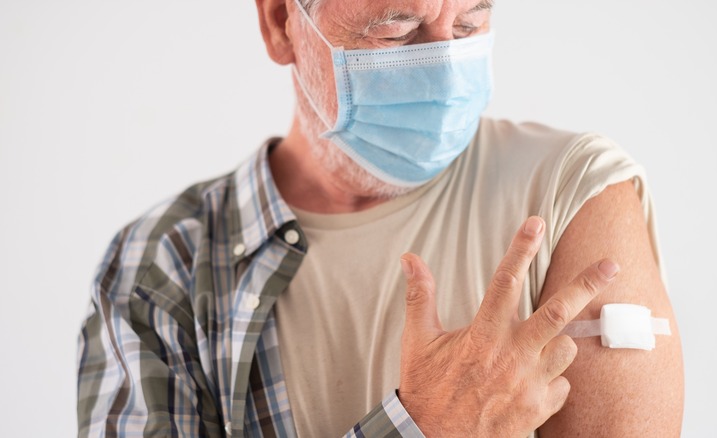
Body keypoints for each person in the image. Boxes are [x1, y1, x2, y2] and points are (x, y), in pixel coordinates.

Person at [77, 0, 684, 436]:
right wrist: (423, 430)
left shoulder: (573, 189)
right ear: (280, 22)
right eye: (396, 29)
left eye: (471, 21)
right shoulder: (162, 264)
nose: (446, 66)